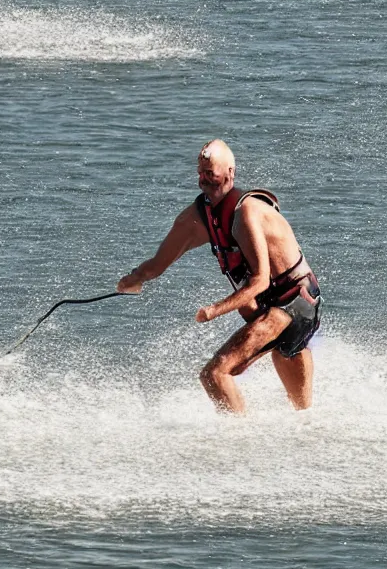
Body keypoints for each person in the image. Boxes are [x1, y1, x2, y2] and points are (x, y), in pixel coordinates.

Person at [117, 140, 322, 413]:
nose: (204, 181)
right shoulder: (197, 217)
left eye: (211, 174)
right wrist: (135, 278)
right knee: (294, 381)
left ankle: (237, 443)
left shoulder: (246, 213)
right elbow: (157, 263)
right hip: (271, 311)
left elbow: (260, 280)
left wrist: (214, 310)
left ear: (230, 173)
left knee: (215, 374)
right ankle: (303, 427)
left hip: (296, 305)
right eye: (200, 173)